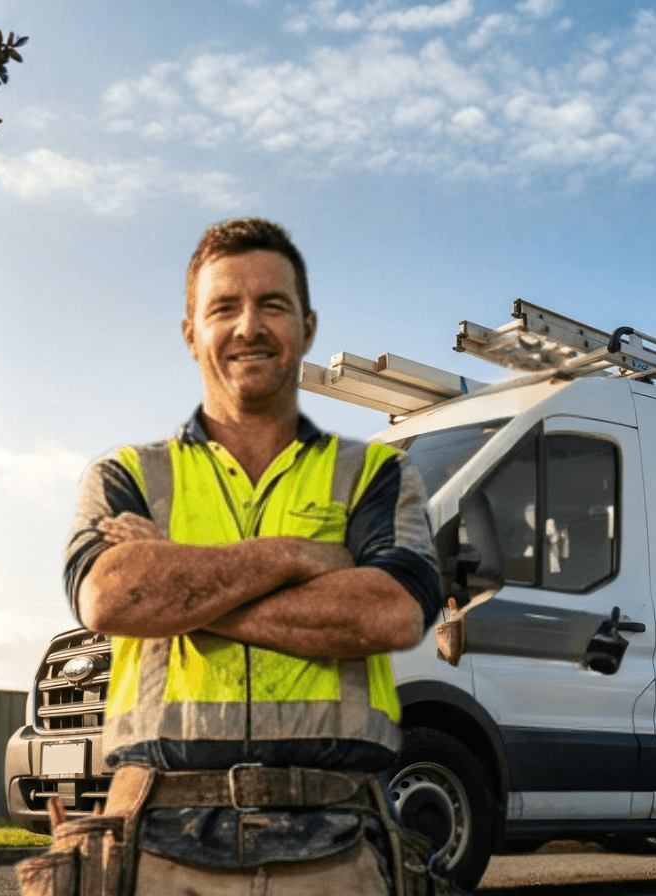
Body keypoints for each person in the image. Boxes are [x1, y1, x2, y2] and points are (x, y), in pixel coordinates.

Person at [64, 217, 442, 895]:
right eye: (223, 308)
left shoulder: (376, 475)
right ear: (190, 332)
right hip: (157, 841)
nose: (248, 327)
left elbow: (390, 616)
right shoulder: (125, 475)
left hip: (338, 842)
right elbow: (113, 599)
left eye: (272, 305)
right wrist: (297, 553)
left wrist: (179, 585)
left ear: (307, 325)